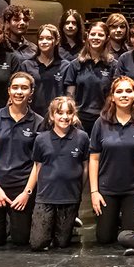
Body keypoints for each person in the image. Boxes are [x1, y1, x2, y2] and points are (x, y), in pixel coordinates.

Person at [0, 70, 44, 247]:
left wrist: (27, 193)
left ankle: (12, 224)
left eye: (24, 88)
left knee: (21, 239)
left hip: (21, 187)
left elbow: (39, 163)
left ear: (31, 92)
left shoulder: (38, 122)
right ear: (9, 91)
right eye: (15, 87)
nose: (19, 92)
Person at [88, 76, 134, 246]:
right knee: (104, 238)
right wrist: (94, 192)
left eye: (128, 91)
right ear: (112, 96)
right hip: (107, 189)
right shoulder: (101, 122)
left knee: (129, 237)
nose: (124, 95)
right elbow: (94, 159)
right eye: (119, 91)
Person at [28, 95, 89, 251]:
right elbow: (37, 167)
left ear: (73, 115)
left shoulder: (82, 137)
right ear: (52, 115)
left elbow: (85, 167)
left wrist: (79, 191)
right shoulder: (41, 139)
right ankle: (49, 224)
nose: (64, 117)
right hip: (46, 196)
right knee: (38, 243)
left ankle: (67, 224)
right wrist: (30, 191)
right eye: (60, 113)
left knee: (62, 243)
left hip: (69, 196)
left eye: (68, 113)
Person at [63, 20, 113, 134]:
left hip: (104, 119)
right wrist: (73, 115)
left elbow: (112, 94)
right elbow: (70, 94)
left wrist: (105, 116)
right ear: (88, 36)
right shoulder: (75, 64)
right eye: (93, 34)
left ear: (106, 38)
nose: (96, 37)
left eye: (101, 35)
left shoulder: (113, 65)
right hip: (79, 119)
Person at [24, 24, 67, 118]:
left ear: (56, 41)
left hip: (57, 117)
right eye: (41, 38)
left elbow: (69, 95)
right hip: (32, 116)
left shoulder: (65, 66)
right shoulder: (27, 65)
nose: (44, 42)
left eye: (49, 38)